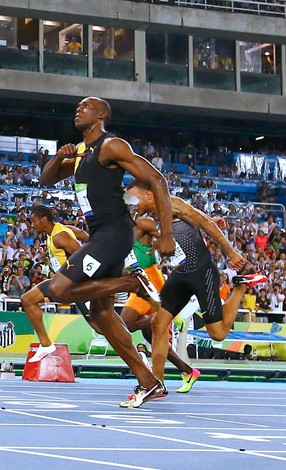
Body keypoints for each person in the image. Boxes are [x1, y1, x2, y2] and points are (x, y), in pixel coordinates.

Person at [39, 96, 175, 408]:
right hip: (102, 236)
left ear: (101, 115)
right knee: (103, 314)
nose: (78, 109)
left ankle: (131, 284)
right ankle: (149, 381)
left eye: (85, 106)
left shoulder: (111, 145)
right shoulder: (80, 152)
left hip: (114, 234)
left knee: (59, 290)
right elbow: (46, 179)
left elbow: (157, 179)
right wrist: (59, 157)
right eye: (77, 107)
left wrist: (166, 233)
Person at [125, 179, 267, 389]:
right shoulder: (149, 218)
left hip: (202, 273)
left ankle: (240, 287)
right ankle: (156, 383)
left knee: (217, 334)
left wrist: (230, 252)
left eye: (133, 198)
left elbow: (204, 223)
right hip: (180, 275)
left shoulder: (172, 204)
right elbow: (197, 220)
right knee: (157, 323)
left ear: (148, 195)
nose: (131, 203)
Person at [120, 214, 200, 395]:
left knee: (127, 323)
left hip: (150, 279)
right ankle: (188, 371)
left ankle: (167, 316)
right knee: (155, 340)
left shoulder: (143, 222)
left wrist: (181, 263)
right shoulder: (120, 228)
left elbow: (167, 240)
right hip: (137, 280)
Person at [21, 205, 92, 362]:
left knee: (101, 327)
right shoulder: (59, 229)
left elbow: (83, 256)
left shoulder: (60, 236)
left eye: (33, 220)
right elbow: (84, 235)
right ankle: (46, 345)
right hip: (63, 282)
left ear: (44, 219)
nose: (32, 225)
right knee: (27, 299)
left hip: (74, 285)